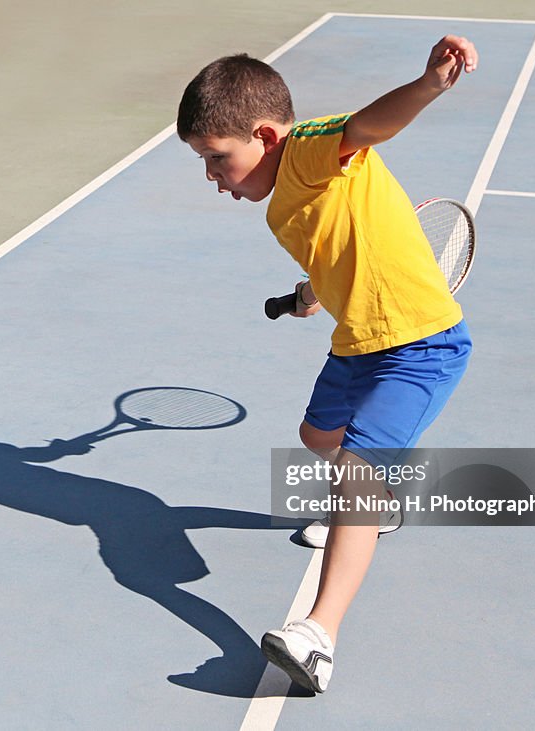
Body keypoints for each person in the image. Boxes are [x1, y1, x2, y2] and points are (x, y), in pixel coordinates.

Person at [176, 35, 477, 693]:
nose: (210, 175)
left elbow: (371, 124)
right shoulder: (282, 203)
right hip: (355, 343)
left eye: (216, 158)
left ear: (263, 135)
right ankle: (373, 504)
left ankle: (318, 636)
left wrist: (428, 84)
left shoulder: (308, 150)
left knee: (355, 470)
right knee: (318, 439)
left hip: (420, 345)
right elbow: (331, 245)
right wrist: (309, 295)